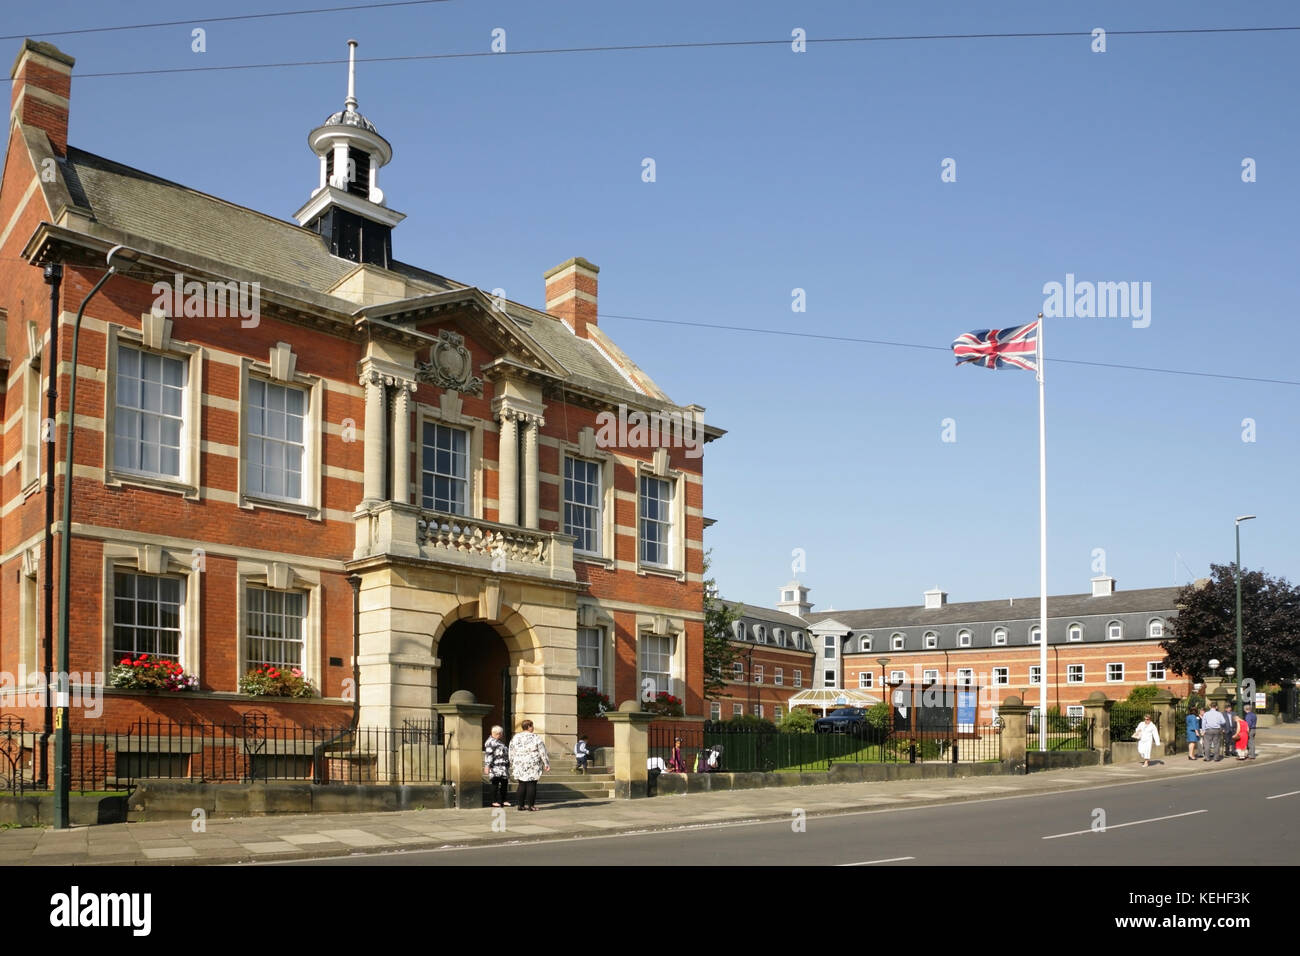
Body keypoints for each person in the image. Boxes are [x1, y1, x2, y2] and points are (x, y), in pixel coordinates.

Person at [508, 718, 550, 811]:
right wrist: (546, 763)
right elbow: (542, 751)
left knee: (522, 784)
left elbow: (511, 751)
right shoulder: (535, 737)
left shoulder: (515, 737)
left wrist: (512, 761)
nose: (533, 727)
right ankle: (531, 806)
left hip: (519, 763)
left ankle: (520, 805)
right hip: (532, 763)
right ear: (528, 727)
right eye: (532, 726)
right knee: (532, 784)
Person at [483, 724, 510, 807]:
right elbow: (489, 754)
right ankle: (494, 801)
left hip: (503, 766)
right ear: (497, 733)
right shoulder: (491, 742)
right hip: (495, 766)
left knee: (504, 783)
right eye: (501, 733)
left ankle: (504, 800)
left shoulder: (498, 741)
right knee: (495, 783)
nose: (502, 735)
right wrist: (487, 765)